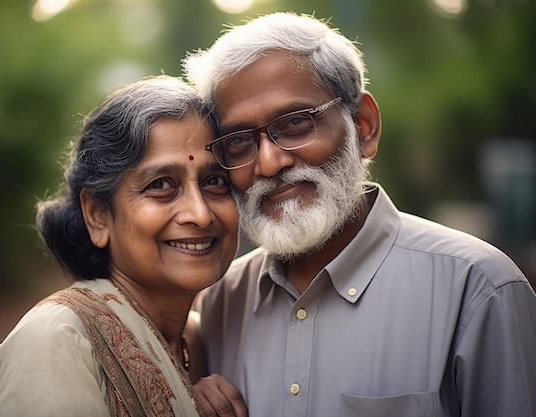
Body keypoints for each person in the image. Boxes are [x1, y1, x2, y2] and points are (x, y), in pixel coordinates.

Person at [182, 12, 536, 417]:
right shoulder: (220, 301)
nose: (268, 161)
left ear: (363, 126)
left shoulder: (477, 288)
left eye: (296, 123)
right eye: (240, 142)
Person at [0, 75, 240, 417]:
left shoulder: (203, 335)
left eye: (214, 182)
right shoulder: (56, 339)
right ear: (97, 216)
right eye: (161, 184)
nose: (199, 213)